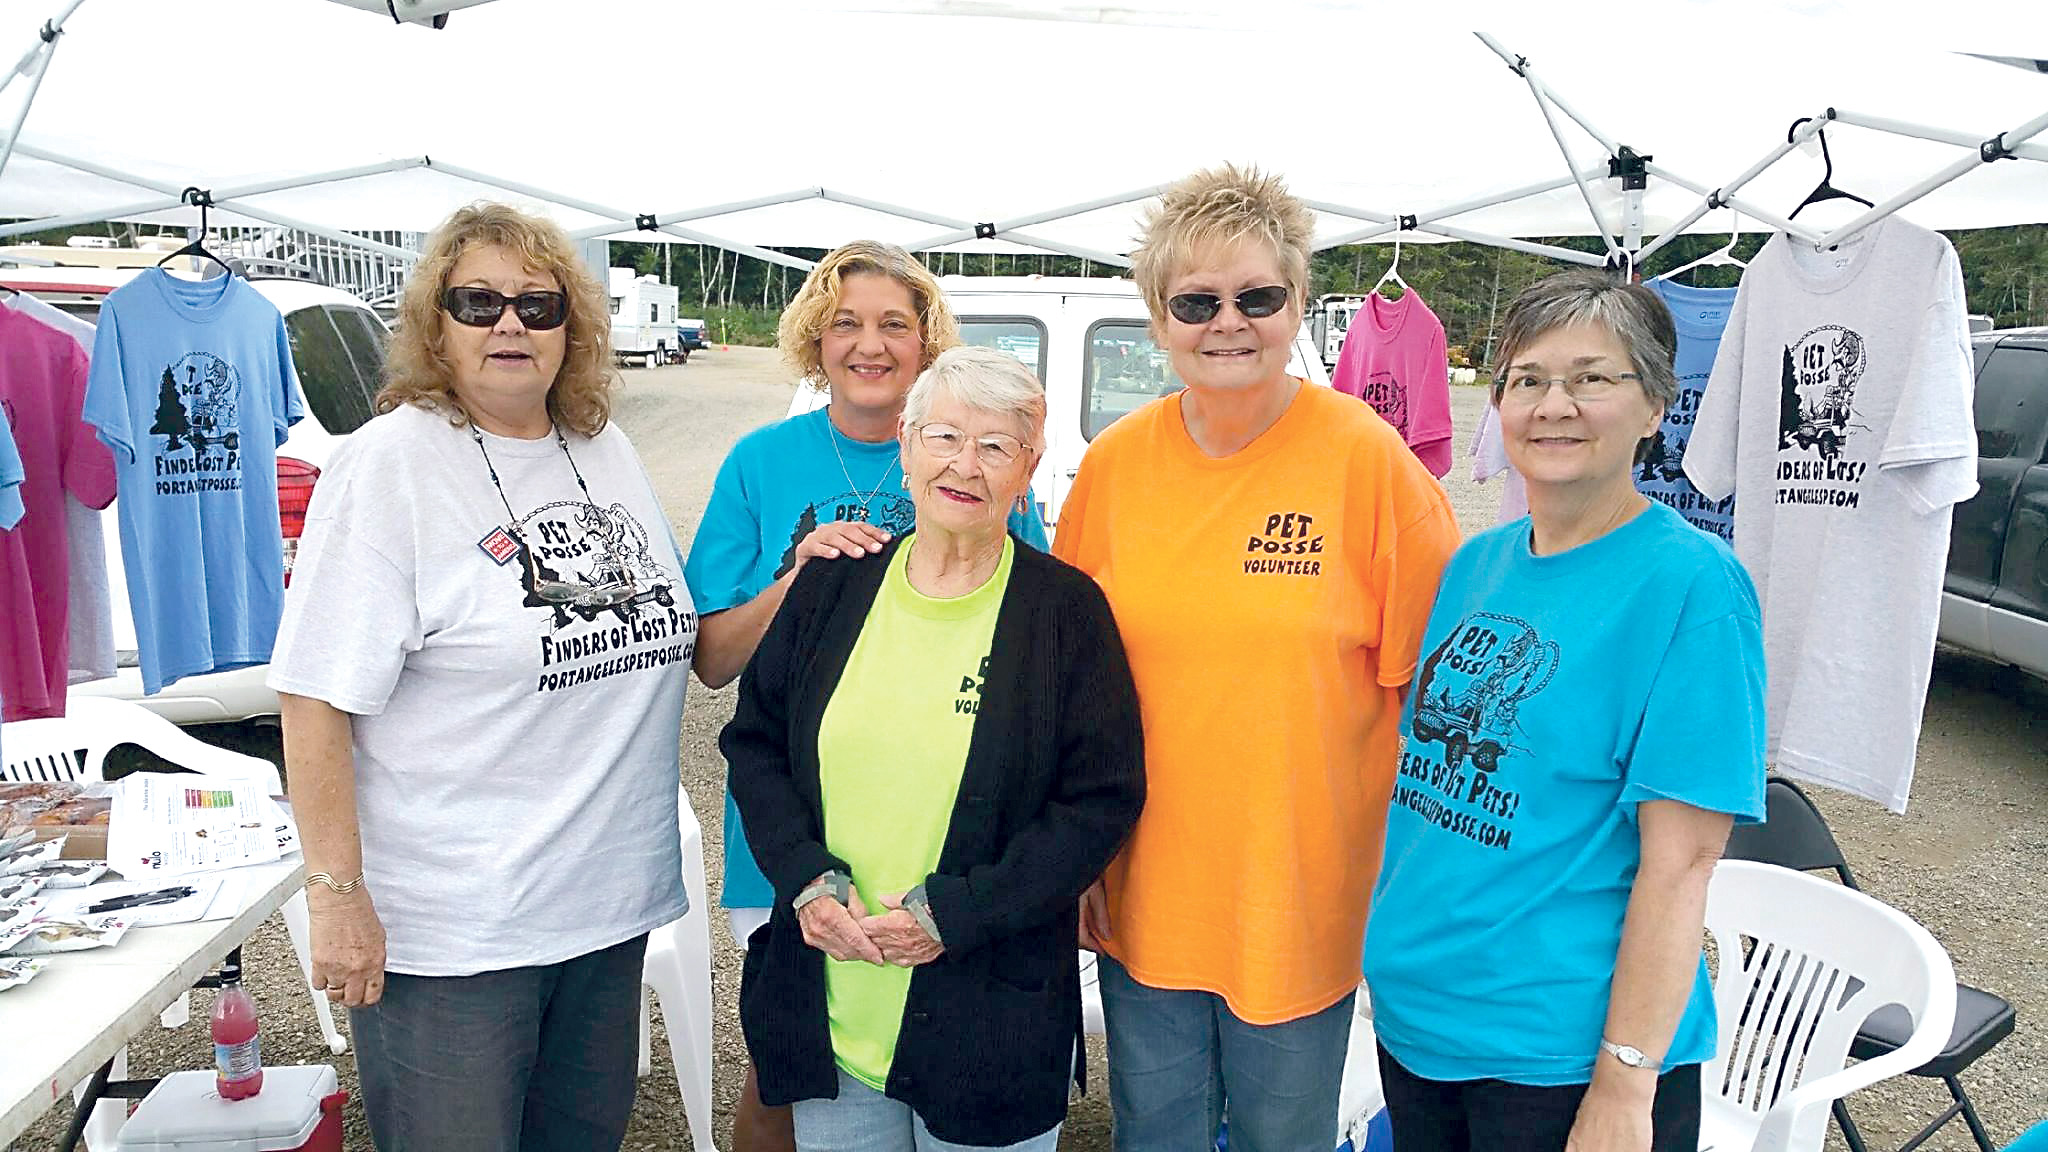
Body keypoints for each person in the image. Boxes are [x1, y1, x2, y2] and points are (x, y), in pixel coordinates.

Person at [269, 202, 695, 1152]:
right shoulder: (389, 465)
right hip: (457, 935)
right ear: (437, 323)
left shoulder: (602, 448)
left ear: (572, 328)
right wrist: (336, 896)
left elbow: (674, 630)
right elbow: (313, 695)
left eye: (538, 306)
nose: (510, 324)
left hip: (605, 911)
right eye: (478, 302)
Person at [1053, 164, 1461, 1152]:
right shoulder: (1114, 466)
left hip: (1300, 899)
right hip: (1146, 892)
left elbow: (1440, 702)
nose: (1227, 323)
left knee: (1284, 1136)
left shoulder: (1367, 460)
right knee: (1156, 1135)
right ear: (1158, 319)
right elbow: (1064, 689)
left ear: (1298, 306)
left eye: (1257, 297)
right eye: (1196, 302)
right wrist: (1072, 856)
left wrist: (1413, 885)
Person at [1362, 269, 1767, 1152]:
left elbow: (1683, 863)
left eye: (1591, 378)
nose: (1555, 405)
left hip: (1558, 1059)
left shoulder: (1694, 589)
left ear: (1655, 405)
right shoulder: (1478, 564)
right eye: (1529, 380)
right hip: (1420, 1024)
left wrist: (1625, 1083)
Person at [723, 344, 1145, 1151]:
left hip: (990, 1020)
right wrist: (806, 881)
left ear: (1029, 468)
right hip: (836, 1000)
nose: (966, 465)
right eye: (945, 436)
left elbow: (1099, 801)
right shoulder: (833, 584)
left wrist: (956, 914)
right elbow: (755, 743)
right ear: (908, 446)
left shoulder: (1066, 612)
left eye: (996, 445)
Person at [684, 240, 1048, 1151]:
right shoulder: (761, 461)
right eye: (845, 322)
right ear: (817, 337)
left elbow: (1036, 635)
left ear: (927, 341)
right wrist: (796, 583)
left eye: (894, 323)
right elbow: (712, 661)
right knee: (786, 1067)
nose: (870, 344)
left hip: (947, 846)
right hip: (798, 837)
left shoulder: (980, 461)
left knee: (937, 1054)